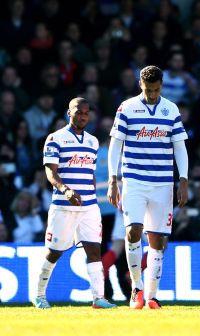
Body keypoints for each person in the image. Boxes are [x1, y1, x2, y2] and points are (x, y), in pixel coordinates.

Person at [107, 65, 189, 309]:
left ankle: (152, 295)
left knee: (157, 239)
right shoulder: (127, 107)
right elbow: (115, 144)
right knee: (133, 230)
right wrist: (113, 179)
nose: (151, 94)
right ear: (140, 85)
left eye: (155, 90)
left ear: (161, 85)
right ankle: (136, 288)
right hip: (133, 180)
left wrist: (182, 179)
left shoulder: (170, 109)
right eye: (147, 89)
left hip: (163, 182)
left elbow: (180, 147)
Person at [33, 97, 116, 309]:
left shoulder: (93, 141)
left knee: (94, 250)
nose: (83, 116)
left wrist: (96, 199)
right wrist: (65, 189)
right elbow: (51, 172)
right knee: (54, 252)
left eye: (86, 113)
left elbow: (90, 173)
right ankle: (39, 295)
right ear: (69, 113)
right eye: (79, 112)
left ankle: (99, 298)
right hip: (63, 205)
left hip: (89, 206)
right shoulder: (55, 138)